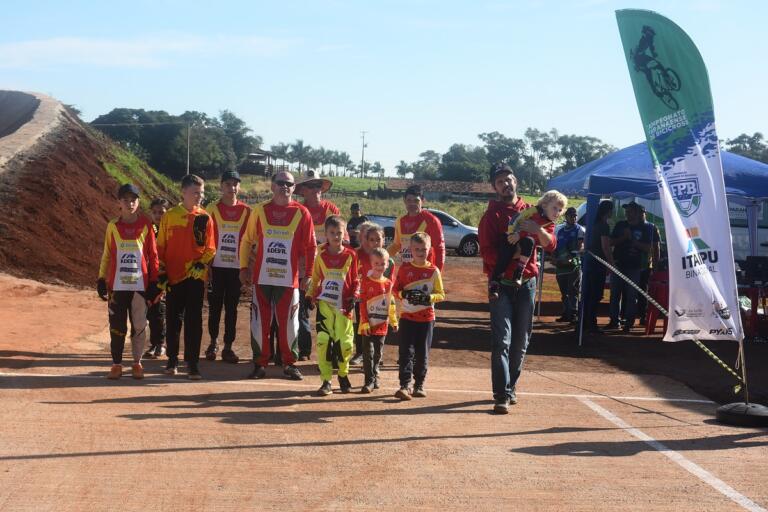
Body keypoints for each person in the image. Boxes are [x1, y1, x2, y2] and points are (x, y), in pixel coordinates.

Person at [479, 163, 556, 414]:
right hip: (501, 283)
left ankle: (510, 388)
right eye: (500, 181)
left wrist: (536, 230)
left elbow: (552, 244)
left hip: (528, 284)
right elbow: (487, 253)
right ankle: (501, 394)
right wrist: (512, 255)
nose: (505, 184)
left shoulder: (534, 211)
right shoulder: (490, 216)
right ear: (494, 187)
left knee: (521, 341)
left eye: (509, 180)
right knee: (502, 340)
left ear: (516, 182)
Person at [239, 171, 316, 381]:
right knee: (259, 321)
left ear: (294, 188)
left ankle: (290, 364)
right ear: (272, 186)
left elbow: (311, 247)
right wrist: (243, 268)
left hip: (289, 280)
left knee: (290, 323)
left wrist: (308, 274)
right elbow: (247, 241)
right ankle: (259, 363)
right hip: (262, 279)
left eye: (289, 184)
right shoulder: (260, 211)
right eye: (280, 183)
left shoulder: (302, 213)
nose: (285, 187)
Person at [97, 184, 160, 380]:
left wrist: (154, 282)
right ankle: (116, 364)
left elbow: (153, 255)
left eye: (133, 199)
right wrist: (101, 278)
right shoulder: (113, 226)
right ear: (119, 202)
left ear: (138, 202)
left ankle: (136, 363)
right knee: (117, 326)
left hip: (140, 286)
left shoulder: (146, 225)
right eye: (125, 199)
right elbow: (107, 254)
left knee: (139, 326)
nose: (130, 203)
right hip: (117, 285)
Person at [157, 174, 216, 379]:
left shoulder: (205, 217)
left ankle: (192, 363)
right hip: (173, 277)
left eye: (202, 192)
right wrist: (161, 272)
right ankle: (172, 361)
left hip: (196, 278)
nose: (200, 196)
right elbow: (160, 247)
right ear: (183, 192)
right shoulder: (169, 216)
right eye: (196, 192)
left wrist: (201, 263)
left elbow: (210, 248)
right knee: (173, 320)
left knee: (194, 321)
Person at [305, 215, 359, 395]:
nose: (336, 236)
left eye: (339, 233)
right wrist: (309, 296)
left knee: (344, 344)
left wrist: (355, 296)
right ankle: (326, 380)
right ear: (326, 234)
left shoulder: (351, 254)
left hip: (344, 307)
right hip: (325, 306)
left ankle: (343, 375)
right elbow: (316, 278)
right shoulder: (320, 255)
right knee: (323, 341)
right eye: (332, 233)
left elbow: (357, 280)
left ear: (345, 235)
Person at [295, 170, 343, 361]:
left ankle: (330, 353)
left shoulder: (332, 209)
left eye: (318, 186)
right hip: (303, 268)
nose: (315, 190)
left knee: (328, 311)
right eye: (311, 186)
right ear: (303, 190)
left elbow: (341, 239)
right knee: (302, 309)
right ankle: (304, 350)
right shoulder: (298, 211)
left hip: (327, 270)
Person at [204, 170, 251, 363]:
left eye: (235, 184)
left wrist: (247, 269)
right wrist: (206, 265)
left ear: (239, 187)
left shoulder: (248, 212)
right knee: (214, 307)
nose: (232, 188)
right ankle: (213, 344)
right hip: (216, 267)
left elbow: (251, 241)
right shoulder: (211, 208)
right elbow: (205, 238)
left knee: (232, 308)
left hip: (236, 269)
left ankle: (228, 347)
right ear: (221, 186)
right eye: (228, 184)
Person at [393, 232, 445, 401]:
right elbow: (395, 290)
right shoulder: (405, 268)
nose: (421, 252)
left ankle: (419, 384)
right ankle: (404, 385)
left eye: (424, 249)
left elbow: (441, 294)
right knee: (405, 352)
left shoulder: (433, 271)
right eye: (417, 249)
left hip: (426, 319)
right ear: (411, 250)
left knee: (422, 353)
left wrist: (429, 298)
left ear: (429, 249)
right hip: (407, 316)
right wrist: (404, 294)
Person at [488, 190, 566, 297]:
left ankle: (518, 272)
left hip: (524, 244)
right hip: (513, 235)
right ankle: (494, 282)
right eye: (554, 208)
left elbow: (551, 245)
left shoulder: (550, 224)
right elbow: (519, 221)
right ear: (544, 205)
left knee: (529, 241)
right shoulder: (534, 212)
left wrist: (538, 230)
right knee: (505, 253)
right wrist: (514, 233)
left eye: (560, 210)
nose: (557, 213)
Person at [606, 201, 656, 333]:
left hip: (635, 266)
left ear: (638, 213)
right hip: (618, 264)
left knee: (631, 295)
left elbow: (647, 248)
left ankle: (629, 322)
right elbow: (611, 242)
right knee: (615, 294)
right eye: (626, 211)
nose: (627, 214)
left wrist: (632, 239)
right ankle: (614, 321)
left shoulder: (646, 228)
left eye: (630, 211)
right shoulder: (620, 225)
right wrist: (623, 237)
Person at [355, 223, 396, 371]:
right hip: (364, 300)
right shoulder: (360, 256)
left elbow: (390, 282)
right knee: (362, 326)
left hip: (381, 303)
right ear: (366, 240)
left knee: (379, 331)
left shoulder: (388, 261)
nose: (375, 243)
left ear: (384, 240)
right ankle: (363, 355)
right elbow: (355, 276)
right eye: (372, 240)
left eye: (378, 239)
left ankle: (377, 358)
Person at [358, 247, 399, 393]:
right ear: (371, 264)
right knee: (368, 353)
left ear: (387, 264)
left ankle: (375, 377)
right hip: (367, 325)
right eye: (376, 263)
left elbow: (391, 304)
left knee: (377, 353)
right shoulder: (366, 282)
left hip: (382, 325)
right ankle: (368, 381)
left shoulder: (388, 284)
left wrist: (394, 321)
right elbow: (362, 303)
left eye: (382, 264)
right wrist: (364, 322)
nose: (380, 267)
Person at [386, 184, 445, 272]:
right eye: (409, 200)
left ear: (423, 201)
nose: (412, 203)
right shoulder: (400, 220)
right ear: (404, 201)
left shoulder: (432, 220)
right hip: (406, 272)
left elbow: (439, 248)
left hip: (425, 273)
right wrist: (381, 255)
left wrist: (437, 272)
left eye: (416, 200)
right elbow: (397, 245)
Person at [582, 199, 615, 335]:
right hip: (597, 264)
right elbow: (605, 247)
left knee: (588, 293)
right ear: (608, 211)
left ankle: (585, 322)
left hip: (589, 262)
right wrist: (612, 264)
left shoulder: (592, 224)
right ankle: (591, 324)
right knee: (595, 295)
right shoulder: (603, 226)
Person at [144, 197, 169, 359]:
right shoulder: (147, 230)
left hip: (166, 277)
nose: (158, 215)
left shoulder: (171, 230)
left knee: (160, 311)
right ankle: (153, 344)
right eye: (154, 212)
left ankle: (161, 344)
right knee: (150, 312)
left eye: (161, 212)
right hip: (148, 277)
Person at [553, 206, 585, 323]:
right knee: (564, 292)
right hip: (561, 265)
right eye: (571, 215)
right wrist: (554, 258)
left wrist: (571, 257)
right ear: (566, 217)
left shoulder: (579, 229)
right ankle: (566, 313)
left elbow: (581, 247)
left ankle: (573, 313)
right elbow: (555, 247)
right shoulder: (560, 231)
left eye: (575, 215)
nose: (574, 217)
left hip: (574, 265)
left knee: (573, 290)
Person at [635, 209, 661, 324]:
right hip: (630, 264)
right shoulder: (631, 225)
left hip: (645, 265)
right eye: (637, 212)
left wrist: (656, 265)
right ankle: (626, 316)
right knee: (629, 291)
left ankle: (643, 315)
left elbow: (656, 247)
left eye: (641, 213)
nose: (639, 215)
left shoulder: (652, 227)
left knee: (643, 291)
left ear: (645, 213)